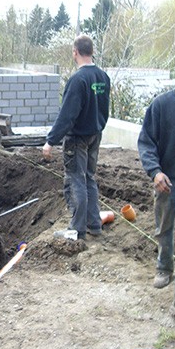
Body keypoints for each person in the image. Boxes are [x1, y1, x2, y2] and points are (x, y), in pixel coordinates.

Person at [42, 34, 111, 240]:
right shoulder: (103, 77)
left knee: (75, 179)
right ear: (92, 51)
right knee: (88, 177)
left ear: (75, 51)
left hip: (78, 138)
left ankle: (76, 229)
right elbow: (105, 109)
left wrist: (50, 141)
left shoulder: (77, 79)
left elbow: (67, 115)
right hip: (95, 135)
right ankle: (94, 224)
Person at [137, 61, 175, 318]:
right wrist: (155, 171)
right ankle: (164, 267)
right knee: (164, 228)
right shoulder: (162, 106)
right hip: (167, 182)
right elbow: (146, 141)